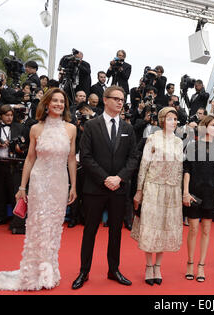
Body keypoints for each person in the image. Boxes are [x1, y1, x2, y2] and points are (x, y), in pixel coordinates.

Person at [0, 88, 77, 290]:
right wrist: (22, 187)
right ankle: (35, 271)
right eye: (55, 101)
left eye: (62, 101)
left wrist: (73, 185)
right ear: (47, 104)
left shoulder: (71, 129)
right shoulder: (35, 129)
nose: (59, 104)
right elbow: (30, 158)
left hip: (60, 183)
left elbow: (71, 159)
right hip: (39, 182)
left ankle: (49, 269)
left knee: (54, 229)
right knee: (38, 227)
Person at [72, 86, 138, 290]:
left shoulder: (128, 128)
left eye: (122, 99)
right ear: (105, 100)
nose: (120, 102)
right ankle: (84, 271)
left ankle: (114, 270)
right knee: (90, 230)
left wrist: (118, 178)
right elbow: (86, 156)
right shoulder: (92, 125)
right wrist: (105, 178)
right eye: (116, 99)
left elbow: (133, 157)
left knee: (116, 232)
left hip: (118, 189)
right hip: (95, 188)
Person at [131, 107, 183, 286]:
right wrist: (139, 190)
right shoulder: (153, 138)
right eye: (170, 119)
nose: (173, 122)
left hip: (172, 190)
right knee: (151, 227)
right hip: (153, 187)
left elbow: (180, 169)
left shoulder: (178, 142)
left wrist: (181, 190)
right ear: (162, 120)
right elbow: (144, 164)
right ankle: (148, 266)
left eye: (175, 119)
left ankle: (158, 266)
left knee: (164, 227)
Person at [183, 115, 214, 282]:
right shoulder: (193, 146)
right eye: (213, 125)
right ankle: (190, 263)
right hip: (194, 193)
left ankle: (201, 266)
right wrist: (185, 192)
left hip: (212, 193)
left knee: (206, 230)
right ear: (205, 126)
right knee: (192, 229)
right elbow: (187, 170)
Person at [0, 105, 24, 227]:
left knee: (14, 191)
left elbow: (23, 146)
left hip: (13, 164)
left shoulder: (19, 127)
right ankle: (1, 217)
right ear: (1, 116)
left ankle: (16, 219)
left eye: (11, 115)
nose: (9, 118)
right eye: (6, 115)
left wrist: (16, 146)